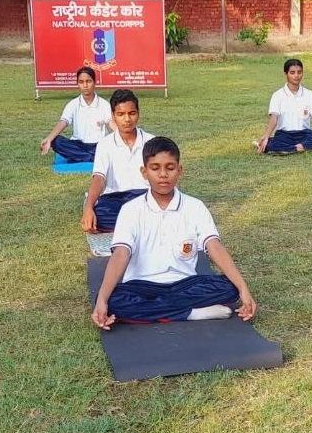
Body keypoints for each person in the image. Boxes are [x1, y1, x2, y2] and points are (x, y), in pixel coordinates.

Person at [91, 136, 258, 330]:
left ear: (179, 170)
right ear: (144, 172)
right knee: (111, 299)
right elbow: (121, 254)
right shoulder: (130, 209)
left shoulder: (195, 206)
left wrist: (244, 289)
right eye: (155, 168)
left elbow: (215, 247)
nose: (163, 174)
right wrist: (102, 300)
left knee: (229, 287)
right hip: (142, 286)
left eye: (170, 168)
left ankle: (156, 311)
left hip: (185, 284)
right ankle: (190, 313)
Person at [81, 89, 154, 233]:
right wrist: (88, 207)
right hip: (115, 198)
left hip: (145, 196)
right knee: (99, 215)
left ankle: (135, 224)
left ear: (138, 114)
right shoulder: (105, 144)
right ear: (113, 117)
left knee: (159, 208)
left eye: (132, 113)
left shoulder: (151, 141)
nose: (127, 119)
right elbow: (98, 179)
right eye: (121, 114)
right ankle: (145, 225)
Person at [256, 58, 312, 155]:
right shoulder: (278, 95)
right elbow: (274, 119)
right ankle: (303, 147)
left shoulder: (308, 94)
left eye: (299, 72)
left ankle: (295, 148)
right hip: (284, 135)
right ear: (286, 74)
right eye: (292, 72)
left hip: (305, 134)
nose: (296, 76)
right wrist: (266, 136)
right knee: (268, 145)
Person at [39, 66, 114, 163]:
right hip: (78, 144)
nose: (85, 85)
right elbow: (63, 122)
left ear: (95, 82)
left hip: (98, 145)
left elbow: (111, 122)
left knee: (112, 143)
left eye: (88, 81)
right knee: (56, 141)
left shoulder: (104, 104)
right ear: (77, 84)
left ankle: (80, 157)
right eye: (81, 82)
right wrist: (49, 139)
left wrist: (123, 137)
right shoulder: (73, 104)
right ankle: (91, 158)